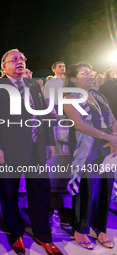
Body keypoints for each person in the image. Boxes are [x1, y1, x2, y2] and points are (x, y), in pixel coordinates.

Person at [0, 49, 62, 255]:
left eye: (22, 59)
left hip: (36, 149)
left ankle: (43, 235)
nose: (20, 62)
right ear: (4, 66)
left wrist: (49, 142)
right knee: (9, 193)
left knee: (40, 192)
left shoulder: (33, 85)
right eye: (15, 59)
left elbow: (43, 114)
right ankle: (15, 233)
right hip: (8, 151)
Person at [64, 62, 116, 250]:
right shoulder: (70, 97)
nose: (91, 75)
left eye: (91, 72)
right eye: (84, 72)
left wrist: (114, 139)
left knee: (105, 188)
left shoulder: (99, 97)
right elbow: (79, 125)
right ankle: (80, 229)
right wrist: (108, 136)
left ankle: (100, 228)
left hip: (106, 149)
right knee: (86, 190)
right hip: (87, 150)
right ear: (73, 78)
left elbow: (113, 120)